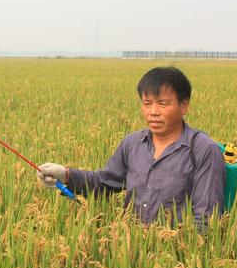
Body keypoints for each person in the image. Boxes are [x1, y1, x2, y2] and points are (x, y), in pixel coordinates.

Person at [37, 66, 225, 232]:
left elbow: (206, 219)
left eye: (163, 103)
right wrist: (66, 175)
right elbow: (104, 183)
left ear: (184, 106)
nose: (153, 112)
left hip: (174, 251)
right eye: (147, 103)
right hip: (130, 246)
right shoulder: (133, 143)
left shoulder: (203, 150)